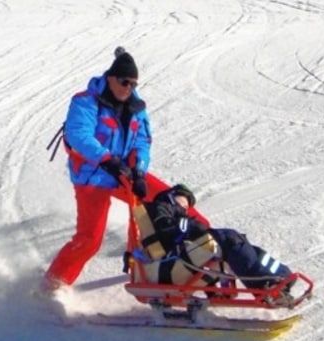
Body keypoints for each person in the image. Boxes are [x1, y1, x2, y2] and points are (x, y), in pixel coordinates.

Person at [42, 47, 208, 292]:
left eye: (133, 83)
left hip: (125, 173)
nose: (128, 88)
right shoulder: (85, 101)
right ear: (110, 78)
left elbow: (143, 140)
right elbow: (78, 135)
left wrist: (139, 170)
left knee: (172, 204)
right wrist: (107, 159)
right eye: (124, 82)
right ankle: (52, 285)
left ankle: (205, 256)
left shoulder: (135, 106)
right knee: (90, 240)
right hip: (93, 176)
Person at [138, 184, 292, 291]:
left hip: (184, 253)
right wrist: (195, 227)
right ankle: (264, 285)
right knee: (230, 238)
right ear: (171, 196)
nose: (185, 207)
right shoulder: (160, 207)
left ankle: (281, 276)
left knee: (245, 246)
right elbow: (166, 229)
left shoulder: (175, 212)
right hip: (172, 258)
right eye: (183, 201)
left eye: (187, 205)